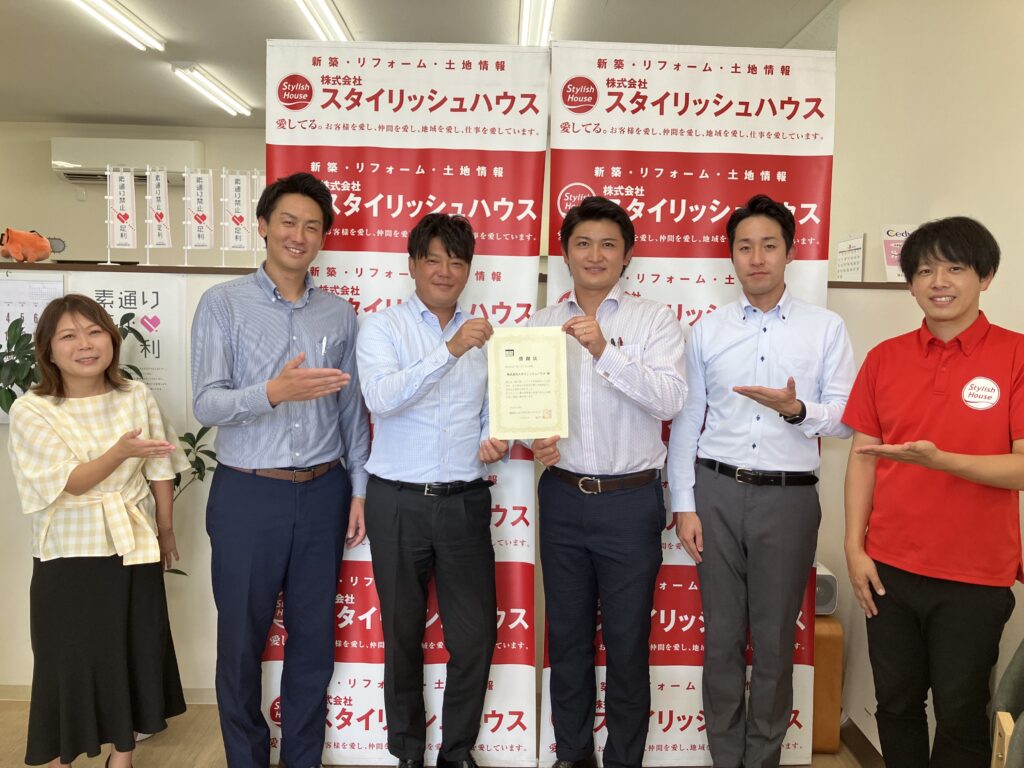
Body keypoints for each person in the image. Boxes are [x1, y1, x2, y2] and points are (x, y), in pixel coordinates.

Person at [667, 194, 855, 768]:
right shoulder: (708, 330)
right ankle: (726, 758)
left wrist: (799, 411)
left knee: (774, 641)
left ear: (790, 252)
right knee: (722, 638)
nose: (756, 258)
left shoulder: (825, 328)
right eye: (744, 247)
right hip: (716, 493)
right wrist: (684, 503)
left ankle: (763, 758)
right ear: (731, 256)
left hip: (788, 498)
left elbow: (847, 418)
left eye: (769, 245)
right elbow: (687, 421)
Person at [191, 172, 370, 768]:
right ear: (264, 226)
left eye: (312, 226)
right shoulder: (222, 304)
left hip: (324, 492)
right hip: (248, 494)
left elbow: (350, 409)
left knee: (313, 642)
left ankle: (302, 759)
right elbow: (207, 404)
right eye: (289, 222)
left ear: (323, 238)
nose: (299, 235)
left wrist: (358, 489)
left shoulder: (339, 314)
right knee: (241, 642)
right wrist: (273, 391)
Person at [843, 216, 1024, 768]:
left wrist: (941, 461)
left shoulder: (1016, 355)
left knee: (961, 711)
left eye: (955, 268)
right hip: (889, 569)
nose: (938, 281)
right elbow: (862, 459)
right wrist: (854, 547)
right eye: (924, 271)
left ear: (985, 277)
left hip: (976, 575)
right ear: (911, 284)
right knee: (896, 705)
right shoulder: (884, 357)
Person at [529, 196, 686, 768]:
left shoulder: (655, 320)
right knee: (567, 640)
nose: (594, 255)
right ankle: (572, 754)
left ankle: (624, 759)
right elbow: (526, 407)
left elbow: (670, 399)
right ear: (565, 253)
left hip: (630, 501)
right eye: (583, 243)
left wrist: (603, 350)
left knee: (626, 644)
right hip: (562, 496)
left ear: (627, 255)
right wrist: (533, 439)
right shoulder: (540, 325)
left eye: (608, 244)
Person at [9, 293, 187, 768]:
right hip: (69, 552)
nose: (85, 345)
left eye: (94, 332)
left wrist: (165, 530)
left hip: (134, 543)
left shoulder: (136, 394)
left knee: (132, 649)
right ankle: (60, 757)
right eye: (69, 336)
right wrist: (119, 453)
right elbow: (68, 481)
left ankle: (121, 757)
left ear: (112, 339)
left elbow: (161, 467)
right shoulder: (32, 409)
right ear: (48, 350)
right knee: (68, 660)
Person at [357, 213, 506, 768]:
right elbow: (381, 398)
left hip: (465, 500)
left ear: (469, 269)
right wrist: (449, 350)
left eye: (457, 261)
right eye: (434, 259)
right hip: (396, 500)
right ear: (413, 264)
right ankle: (408, 751)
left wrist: (496, 435)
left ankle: (457, 751)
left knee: (475, 638)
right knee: (401, 635)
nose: (446, 271)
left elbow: (493, 405)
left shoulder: (486, 334)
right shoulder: (383, 327)